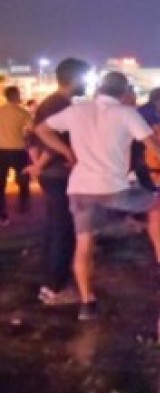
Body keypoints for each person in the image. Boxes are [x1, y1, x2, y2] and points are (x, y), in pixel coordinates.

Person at [32, 71, 160, 321]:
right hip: (112, 188)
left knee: (84, 244)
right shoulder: (127, 114)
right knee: (154, 205)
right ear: (124, 92)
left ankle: (87, 304)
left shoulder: (77, 110)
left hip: (79, 189)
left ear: (99, 89)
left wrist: (67, 152)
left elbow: (41, 129)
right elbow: (154, 145)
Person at [29, 58, 91, 306]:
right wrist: (66, 153)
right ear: (74, 79)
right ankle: (55, 287)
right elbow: (46, 136)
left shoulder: (54, 103)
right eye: (84, 78)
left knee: (55, 228)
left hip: (53, 174)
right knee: (62, 230)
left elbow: (34, 137)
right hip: (58, 175)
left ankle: (51, 283)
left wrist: (38, 164)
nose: (87, 84)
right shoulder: (58, 104)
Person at [0, 85, 33, 225]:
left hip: (1, 151)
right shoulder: (22, 112)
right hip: (18, 150)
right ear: (15, 96)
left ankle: (3, 214)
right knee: (24, 179)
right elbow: (32, 129)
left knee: (0, 183)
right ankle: (23, 206)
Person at [134, 88, 160, 193]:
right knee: (150, 168)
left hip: (145, 145)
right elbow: (159, 130)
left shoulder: (154, 110)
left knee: (147, 168)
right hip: (142, 145)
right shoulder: (150, 110)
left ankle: (150, 188)